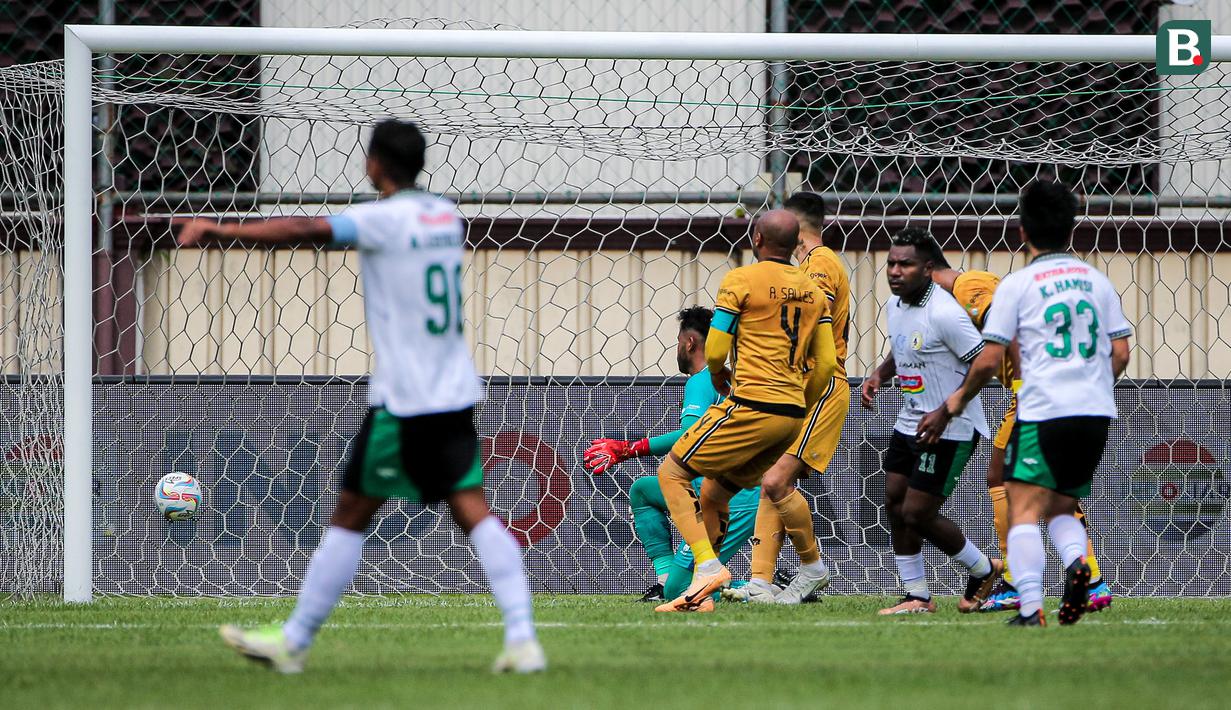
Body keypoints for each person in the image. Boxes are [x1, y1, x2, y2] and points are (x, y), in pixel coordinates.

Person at [176, 119, 544, 673]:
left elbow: (305, 229)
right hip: (454, 391)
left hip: (406, 401)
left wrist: (219, 230)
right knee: (473, 512)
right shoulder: (446, 215)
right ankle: (523, 639)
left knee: (351, 514)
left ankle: (293, 642)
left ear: (374, 164)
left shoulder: (381, 220)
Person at [918, 180, 1131, 627]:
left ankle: (1030, 605)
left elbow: (989, 358)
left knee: (1022, 506)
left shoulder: (1017, 285)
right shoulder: (1098, 283)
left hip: (1041, 407)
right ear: (1073, 227)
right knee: (1060, 502)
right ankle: (1085, 574)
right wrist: (1090, 385)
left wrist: (953, 403)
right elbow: (1121, 353)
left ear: (1021, 231)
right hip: (1095, 411)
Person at [654, 209, 836, 613]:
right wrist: (799, 402)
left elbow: (716, 349)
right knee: (717, 492)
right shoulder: (813, 291)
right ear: (795, 244)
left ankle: (707, 568)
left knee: (672, 472)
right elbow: (825, 365)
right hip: (791, 413)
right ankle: (706, 593)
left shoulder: (740, 280)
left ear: (756, 239)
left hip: (751, 404)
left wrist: (719, 375)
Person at [932, 265, 1113, 612]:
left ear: (930, 271)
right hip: (1069, 392)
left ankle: (1018, 580)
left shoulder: (967, 288)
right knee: (1050, 489)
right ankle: (1091, 580)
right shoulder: (983, 283)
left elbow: (1008, 333)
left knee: (1006, 479)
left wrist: (1020, 388)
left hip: (1032, 394)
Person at [862, 227, 1002, 616]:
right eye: (891, 262)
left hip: (950, 428)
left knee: (917, 513)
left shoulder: (946, 312)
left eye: (904, 264)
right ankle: (916, 595)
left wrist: (947, 409)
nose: (894, 270)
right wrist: (880, 374)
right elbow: (903, 346)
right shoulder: (895, 306)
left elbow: (984, 362)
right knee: (893, 501)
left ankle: (984, 569)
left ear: (927, 269)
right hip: (910, 422)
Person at [582, 307, 760, 604]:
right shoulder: (728, 380)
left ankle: (759, 585)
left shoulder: (702, 381)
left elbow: (688, 437)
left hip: (729, 501)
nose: (678, 348)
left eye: (679, 341)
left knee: (679, 592)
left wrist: (629, 449)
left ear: (690, 343)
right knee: (642, 491)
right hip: (713, 488)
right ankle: (665, 578)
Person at [738, 192, 850, 605]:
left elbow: (809, 327)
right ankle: (760, 582)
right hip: (796, 389)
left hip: (819, 386)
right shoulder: (808, 266)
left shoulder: (820, 266)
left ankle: (812, 568)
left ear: (794, 229)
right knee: (773, 483)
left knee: (775, 480)